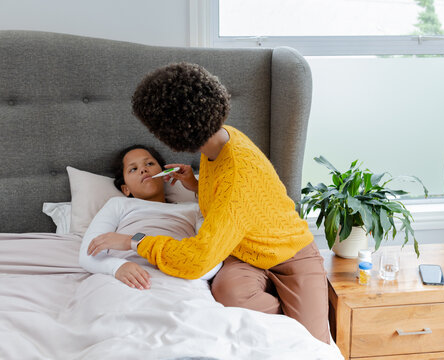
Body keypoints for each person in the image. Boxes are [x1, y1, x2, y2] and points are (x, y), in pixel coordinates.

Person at [89, 62, 330, 344]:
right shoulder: (221, 139)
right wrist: (196, 185)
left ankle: (295, 324)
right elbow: (227, 198)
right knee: (228, 294)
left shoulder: (237, 175)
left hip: (291, 252)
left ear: (172, 132)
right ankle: (287, 321)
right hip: (242, 252)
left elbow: (198, 260)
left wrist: (134, 241)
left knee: (313, 343)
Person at [79, 144, 221, 290]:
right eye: (133, 169)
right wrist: (118, 267)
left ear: (164, 173)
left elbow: (211, 261)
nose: (143, 169)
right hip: (123, 278)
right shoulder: (118, 204)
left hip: (179, 280)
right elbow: (88, 253)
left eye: (149, 163)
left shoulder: (193, 209)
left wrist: (199, 187)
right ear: (125, 189)